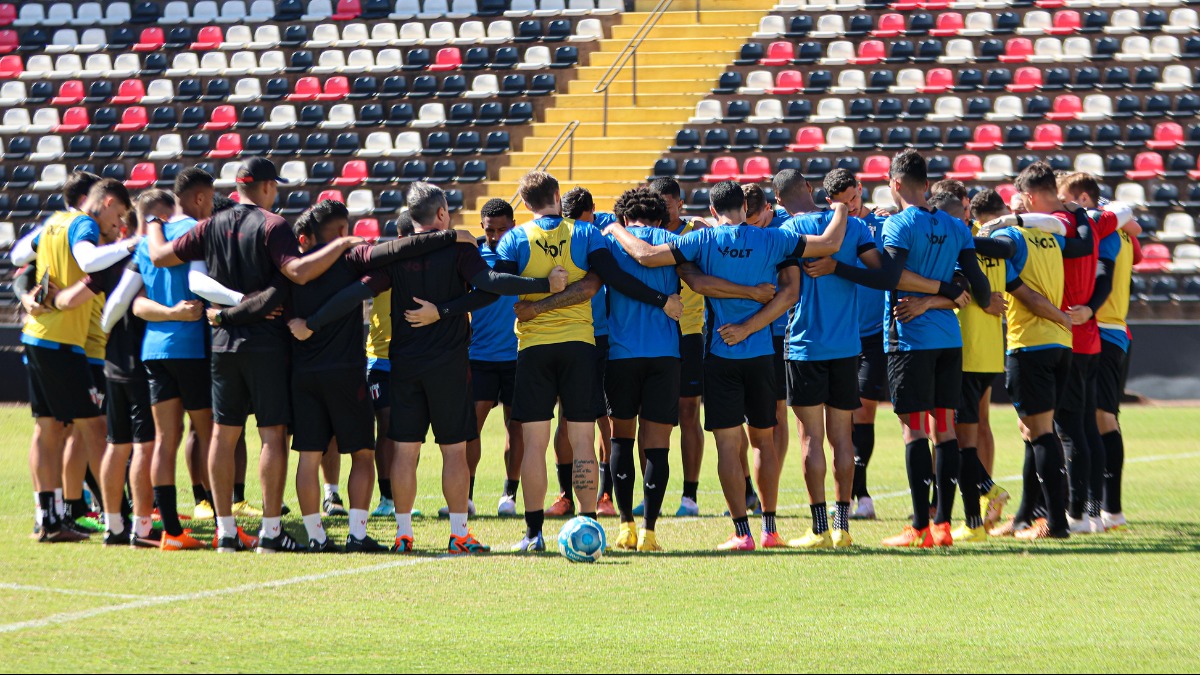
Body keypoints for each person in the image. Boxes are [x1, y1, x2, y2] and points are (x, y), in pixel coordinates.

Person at [297, 183, 555, 553]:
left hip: (404, 365)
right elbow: (491, 284)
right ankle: (459, 535)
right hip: (449, 366)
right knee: (453, 451)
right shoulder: (459, 248)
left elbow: (356, 293)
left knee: (405, 452)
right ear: (441, 213)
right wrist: (545, 284)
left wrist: (312, 322)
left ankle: (404, 535)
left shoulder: (397, 254)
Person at [606, 180, 849, 551]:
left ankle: (741, 532)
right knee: (764, 441)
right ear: (746, 208)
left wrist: (615, 228)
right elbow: (828, 246)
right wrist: (842, 207)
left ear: (713, 210)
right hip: (761, 353)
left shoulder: (702, 240)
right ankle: (769, 529)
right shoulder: (774, 238)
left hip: (720, 351)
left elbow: (650, 257)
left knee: (727, 445)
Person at [147, 157, 366, 553]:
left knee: (223, 433)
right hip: (266, 344)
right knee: (272, 435)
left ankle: (226, 532)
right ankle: (270, 531)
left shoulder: (210, 224)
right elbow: (298, 273)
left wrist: (152, 222)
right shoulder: (273, 224)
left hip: (222, 342)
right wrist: (341, 244)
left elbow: (160, 256)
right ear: (266, 186)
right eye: (275, 186)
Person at [494, 171, 680, 552]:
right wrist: (661, 300)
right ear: (557, 196)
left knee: (535, 443)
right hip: (580, 345)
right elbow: (611, 278)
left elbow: (499, 282)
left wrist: (540, 292)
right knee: (583, 439)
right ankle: (589, 526)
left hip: (533, 346)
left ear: (525, 204)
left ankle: (533, 534)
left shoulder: (515, 238)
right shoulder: (585, 233)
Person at [824, 150, 992, 548]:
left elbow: (888, 278)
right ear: (927, 183)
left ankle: (918, 527)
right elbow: (981, 291)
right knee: (945, 429)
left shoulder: (899, 224)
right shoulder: (955, 226)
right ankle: (943, 525)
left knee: (914, 430)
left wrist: (837, 268)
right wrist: (942, 294)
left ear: (895, 183)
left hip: (910, 339)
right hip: (949, 340)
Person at [16, 177, 136, 543]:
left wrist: (33, 293)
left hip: (39, 335)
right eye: (119, 214)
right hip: (62, 343)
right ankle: (117, 520)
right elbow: (87, 259)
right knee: (94, 429)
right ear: (108, 201)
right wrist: (134, 243)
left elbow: (18, 256)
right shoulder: (84, 223)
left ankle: (49, 519)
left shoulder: (55, 221)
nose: (119, 223)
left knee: (49, 429)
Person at [780, 170, 878, 549]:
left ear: (778, 200)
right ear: (810, 188)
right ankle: (842, 526)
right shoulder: (855, 227)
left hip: (805, 346)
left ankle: (819, 528)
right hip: (847, 347)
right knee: (842, 437)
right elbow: (882, 273)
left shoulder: (788, 231)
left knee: (811, 439)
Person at [1057, 173, 1138, 531]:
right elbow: (1135, 248)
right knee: (1099, 419)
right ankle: (1102, 508)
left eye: (1064, 198)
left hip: (1100, 328)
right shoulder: (1120, 230)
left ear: (1084, 199)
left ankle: (1104, 509)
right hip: (1113, 330)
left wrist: (1089, 308)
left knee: (1098, 420)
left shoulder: (1101, 232)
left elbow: (1103, 274)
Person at [546, 187, 617, 519]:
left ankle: (602, 494)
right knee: (574, 417)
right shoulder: (563, 232)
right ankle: (570, 495)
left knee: (601, 418)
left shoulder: (605, 227)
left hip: (600, 336)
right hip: (577, 335)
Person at [647, 177, 709, 517]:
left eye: (667, 204)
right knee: (651, 417)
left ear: (679, 204)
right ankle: (650, 494)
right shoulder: (645, 236)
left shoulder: (694, 232)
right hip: (653, 335)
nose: (661, 210)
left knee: (688, 413)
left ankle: (690, 496)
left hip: (688, 333)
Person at [467, 199, 525, 518]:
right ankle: (466, 496)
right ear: (482, 227)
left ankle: (509, 496)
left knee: (516, 428)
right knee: (470, 427)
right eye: (490, 230)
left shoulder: (525, 254)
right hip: (480, 356)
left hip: (518, 356)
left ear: (513, 226)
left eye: (503, 229)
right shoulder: (472, 255)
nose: (496, 236)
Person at [365, 211, 413, 519]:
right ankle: (386, 498)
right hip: (380, 359)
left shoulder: (428, 266)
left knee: (408, 431)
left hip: (412, 360)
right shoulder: (382, 263)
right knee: (386, 425)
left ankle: (402, 495)